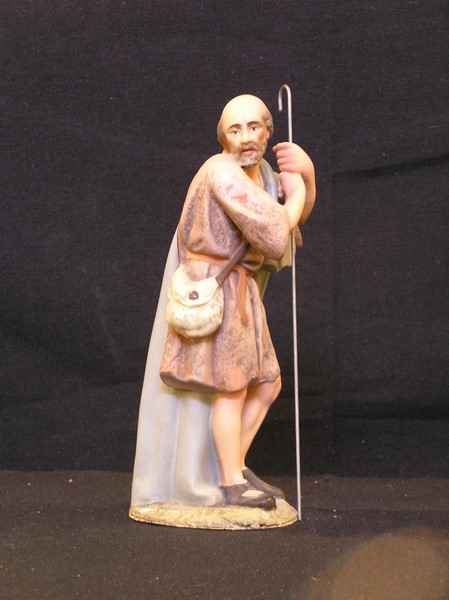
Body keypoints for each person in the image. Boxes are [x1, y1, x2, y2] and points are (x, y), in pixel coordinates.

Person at [130, 94, 315, 516]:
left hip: (242, 291)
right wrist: (299, 192)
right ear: (223, 138)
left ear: (267, 131)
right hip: (219, 287)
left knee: (267, 384)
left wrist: (305, 173)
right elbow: (275, 233)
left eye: (254, 127)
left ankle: (228, 466)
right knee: (231, 389)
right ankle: (231, 482)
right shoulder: (222, 173)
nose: (246, 137)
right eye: (235, 129)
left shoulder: (261, 174)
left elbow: (295, 220)